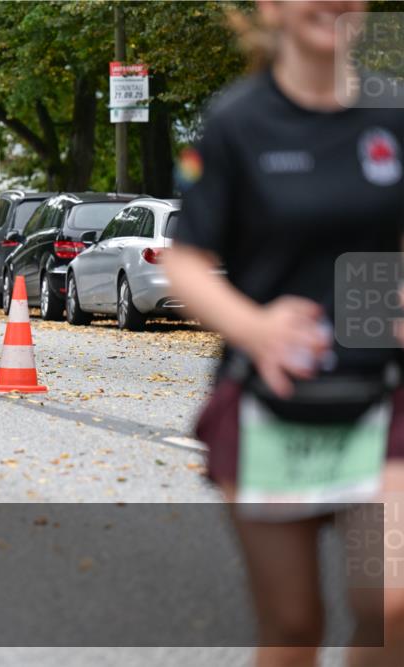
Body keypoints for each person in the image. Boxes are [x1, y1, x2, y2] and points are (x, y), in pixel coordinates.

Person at [162, 2, 403, 664]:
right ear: (272, 7)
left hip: (381, 394)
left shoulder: (392, 114)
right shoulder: (235, 122)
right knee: (294, 626)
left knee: (392, 606)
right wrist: (257, 327)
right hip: (271, 402)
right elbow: (186, 261)